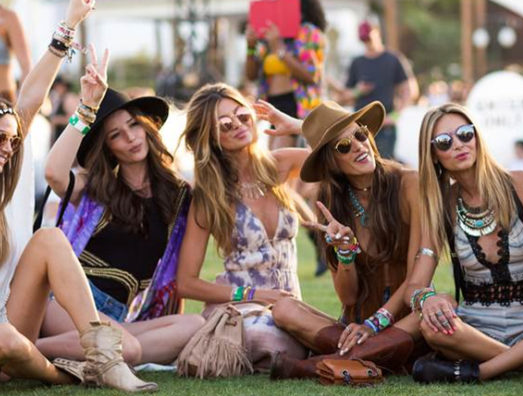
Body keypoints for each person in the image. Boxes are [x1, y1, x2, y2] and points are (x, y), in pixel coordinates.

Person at [0, 0, 155, 393]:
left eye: (12, 141)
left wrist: (69, 25)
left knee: (50, 240)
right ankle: (61, 374)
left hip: (8, 323)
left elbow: (29, 101)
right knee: (3, 339)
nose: (8, 148)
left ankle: (104, 358)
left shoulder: (0, 194)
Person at [37, 47, 205, 367]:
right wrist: (86, 108)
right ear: (108, 147)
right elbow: (54, 172)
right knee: (129, 349)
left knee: (194, 325)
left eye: (133, 125)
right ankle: (26, 351)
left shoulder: (179, 195)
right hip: (67, 303)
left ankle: (98, 351)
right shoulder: (95, 188)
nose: (130, 137)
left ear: (146, 126)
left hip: (119, 316)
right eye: (116, 135)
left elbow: (173, 273)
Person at [406, 103, 523, 384]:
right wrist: (427, 298)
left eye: (465, 134)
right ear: (433, 154)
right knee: (430, 328)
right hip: (477, 330)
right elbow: (415, 284)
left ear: (477, 137)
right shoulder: (441, 206)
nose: (458, 144)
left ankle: (484, 370)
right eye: (445, 141)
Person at [253, 99, 424, 379]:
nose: (358, 146)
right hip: (353, 325)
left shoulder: (408, 184)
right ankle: (376, 354)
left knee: (436, 307)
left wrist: (374, 325)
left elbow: (419, 275)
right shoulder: (331, 203)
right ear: (331, 162)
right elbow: (348, 296)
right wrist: (346, 253)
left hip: (404, 321)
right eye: (344, 146)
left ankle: (316, 365)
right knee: (283, 309)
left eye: (360, 134)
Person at [177, 83, 309, 370]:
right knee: (267, 337)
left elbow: (343, 152)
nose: (237, 125)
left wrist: (299, 126)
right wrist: (253, 295)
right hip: (240, 309)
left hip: (288, 307)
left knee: (297, 332)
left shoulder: (280, 164)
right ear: (210, 137)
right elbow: (186, 283)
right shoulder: (210, 197)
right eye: (224, 124)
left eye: (242, 115)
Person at [244, 0, 326, 149]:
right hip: (273, 105)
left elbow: (312, 76)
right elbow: (251, 75)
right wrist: (250, 48)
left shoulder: (308, 32)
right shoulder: (268, 33)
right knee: (274, 156)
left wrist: (279, 49)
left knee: (278, 157)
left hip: (296, 106)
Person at [337, 20, 412, 160]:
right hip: (360, 128)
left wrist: (395, 115)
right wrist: (358, 91)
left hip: (385, 127)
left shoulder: (393, 59)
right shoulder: (357, 62)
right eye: (364, 40)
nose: (367, 42)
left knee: (384, 164)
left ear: (377, 32)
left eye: (369, 38)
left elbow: (409, 90)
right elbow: (343, 97)